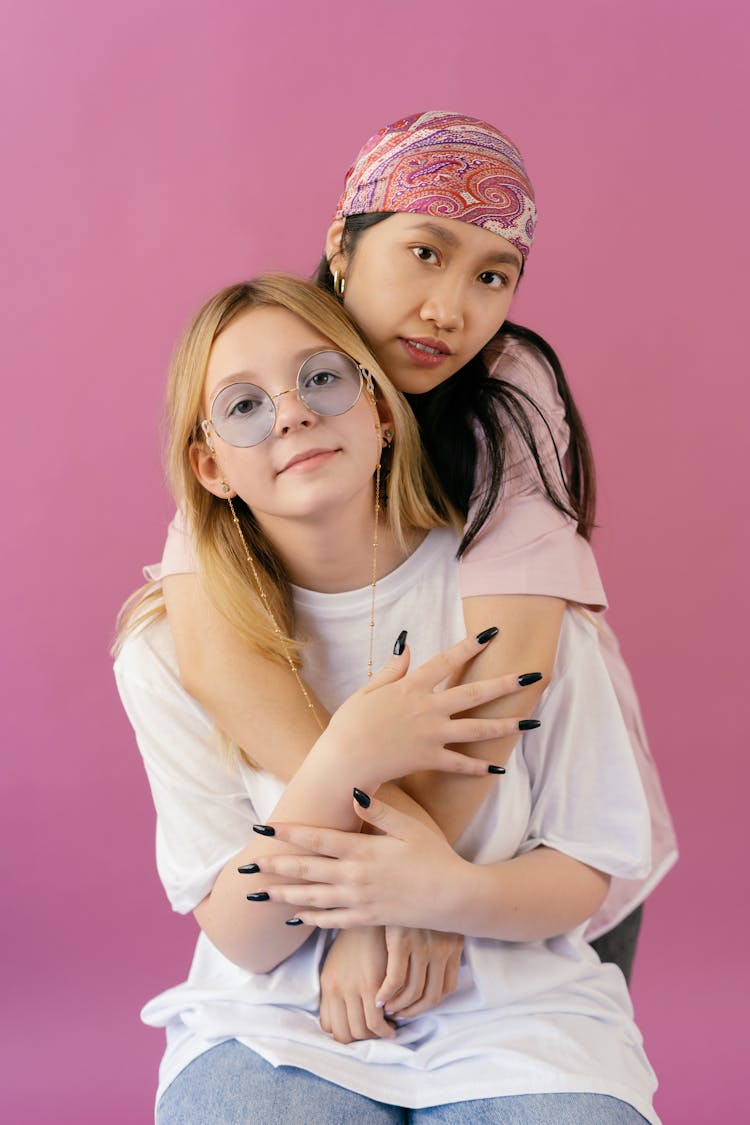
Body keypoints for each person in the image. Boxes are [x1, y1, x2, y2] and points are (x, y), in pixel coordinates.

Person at [115, 274, 659, 1122]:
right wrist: (344, 756)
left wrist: (436, 894)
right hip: (275, 1019)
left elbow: (584, 868)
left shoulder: (514, 608)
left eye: (322, 379)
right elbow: (245, 936)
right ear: (211, 465)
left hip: (517, 1014)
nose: (290, 414)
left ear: (380, 408)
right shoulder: (163, 648)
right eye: (245, 406)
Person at [157, 111, 677, 987]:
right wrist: (384, 884)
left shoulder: (510, 390)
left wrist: (418, 888)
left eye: (493, 275)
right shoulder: (270, 365)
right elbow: (217, 656)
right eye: (426, 253)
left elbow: (504, 672)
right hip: (373, 862)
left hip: (535, 836)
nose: (451, 309)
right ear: (344, 243)